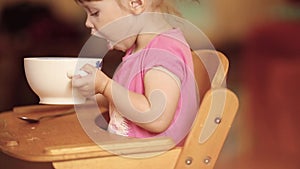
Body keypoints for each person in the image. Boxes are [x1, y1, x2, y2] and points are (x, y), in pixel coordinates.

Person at [72, 0, 200, 145]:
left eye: (95, 12)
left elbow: (157, 118)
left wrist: (105, 86)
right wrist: (94, 94)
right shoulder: (136, 52)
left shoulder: (164, 52)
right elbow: (129, 102)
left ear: (136, 3)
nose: (87, 23)